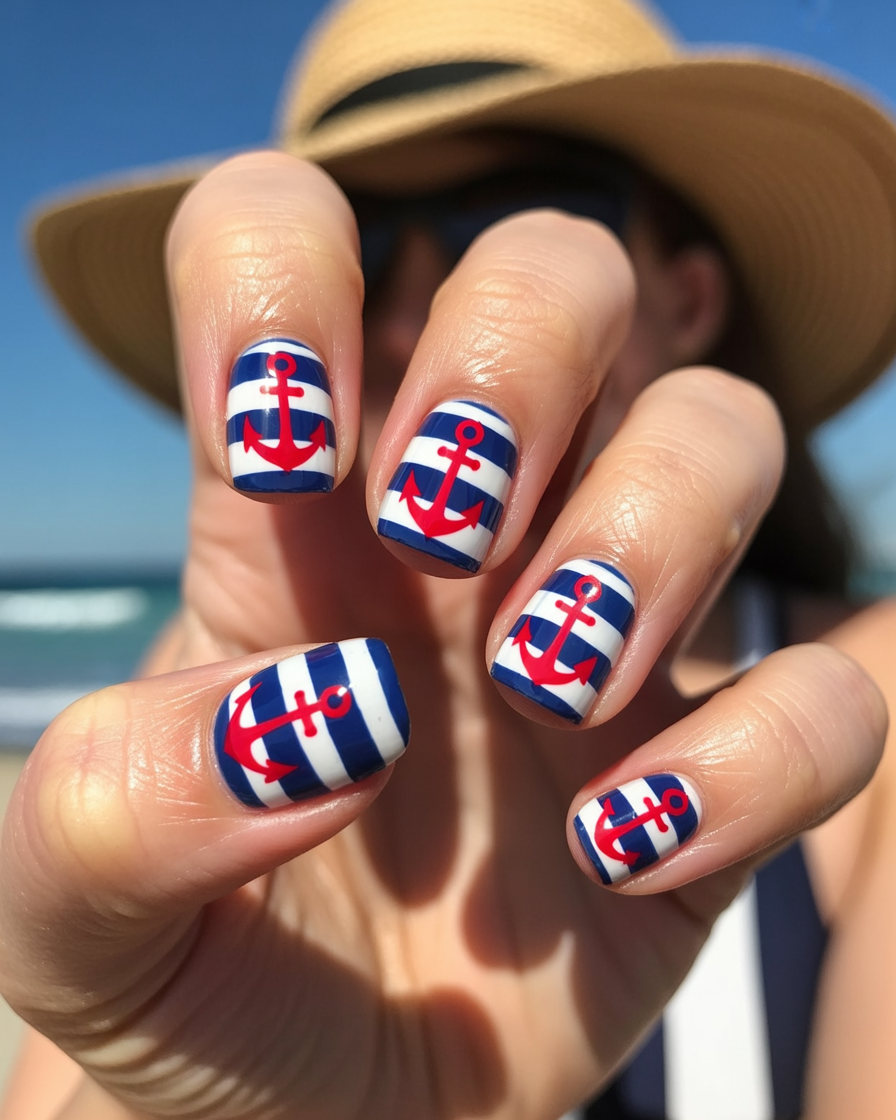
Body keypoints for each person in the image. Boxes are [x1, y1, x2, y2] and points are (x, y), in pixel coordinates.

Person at [3, 0, 896, 1117]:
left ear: (688, 296)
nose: (412, 313)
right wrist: (221, 1085)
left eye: (509, 217)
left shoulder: (880, 691)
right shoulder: (207, 687)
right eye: (365, 255)